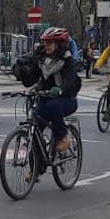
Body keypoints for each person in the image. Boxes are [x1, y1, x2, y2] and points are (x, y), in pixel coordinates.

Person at [30, 27, 82, 158]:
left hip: (66, 99)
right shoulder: (41, 58)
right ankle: (34, 169)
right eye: (45, 43)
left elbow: (70, 82)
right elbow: (32, 77)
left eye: (50, 43)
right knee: (35, 127)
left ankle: (63, 136)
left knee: (54, 106)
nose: (46, 46)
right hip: (46, 98)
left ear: (58, 44)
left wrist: (60, 89)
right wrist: (22, 72)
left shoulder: (67, 59)